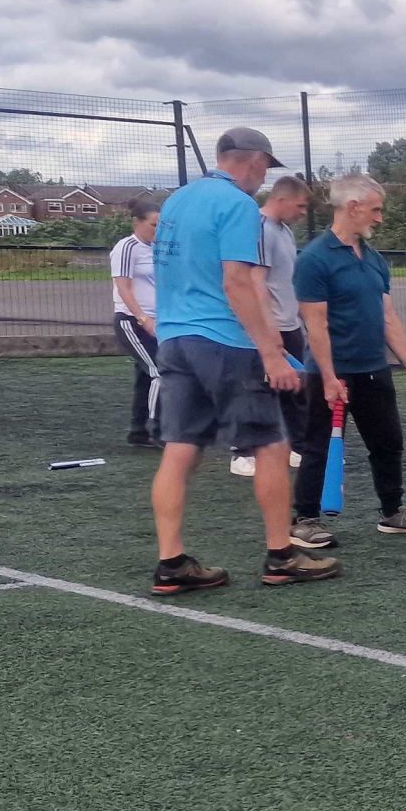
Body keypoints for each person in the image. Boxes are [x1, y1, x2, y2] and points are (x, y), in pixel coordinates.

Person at [147, 127, 338, 593]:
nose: (262, 178)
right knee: (271, 446)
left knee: (180, 450)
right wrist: (272, 353)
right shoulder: (237, 206)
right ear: (253, 161)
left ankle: (171, 562)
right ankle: (281, 557)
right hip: (224, 341)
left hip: (174, 338)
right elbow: (238, 282)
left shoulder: (177, 201)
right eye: (263, 168)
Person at [290, 175, 406, 538]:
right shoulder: (313, 260)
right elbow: (316, 324)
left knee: (388, 442)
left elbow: (387, 316)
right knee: (317, 447)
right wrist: (327, 377)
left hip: (373, 369)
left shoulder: (373, 259)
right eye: (375, 210)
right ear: (352, 207)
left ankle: (392, 512)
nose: (380, 218)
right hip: (331, 373)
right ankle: (305, 520)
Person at [240, 176, 324, 529]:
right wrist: (268, 326)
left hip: (289, 324)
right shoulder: (258, 227)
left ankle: (299, 447)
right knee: (261, 388)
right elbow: (254, 280)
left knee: (296, 388)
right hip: (269, 325)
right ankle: (243, 452)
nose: (303, 213)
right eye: (301, 206)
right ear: (283, 199)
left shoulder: (283, 230)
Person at [109, 198, 162, 448]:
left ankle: (138, 432)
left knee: (145, 376)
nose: (158, 230)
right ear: (136, 223)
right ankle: (158, 429)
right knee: (159, 372)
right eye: (153, 225)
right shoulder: (126, 247)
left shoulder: (157, 248)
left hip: (157, 322)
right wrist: (143, 318)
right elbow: (124, 287)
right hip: (131, 322)